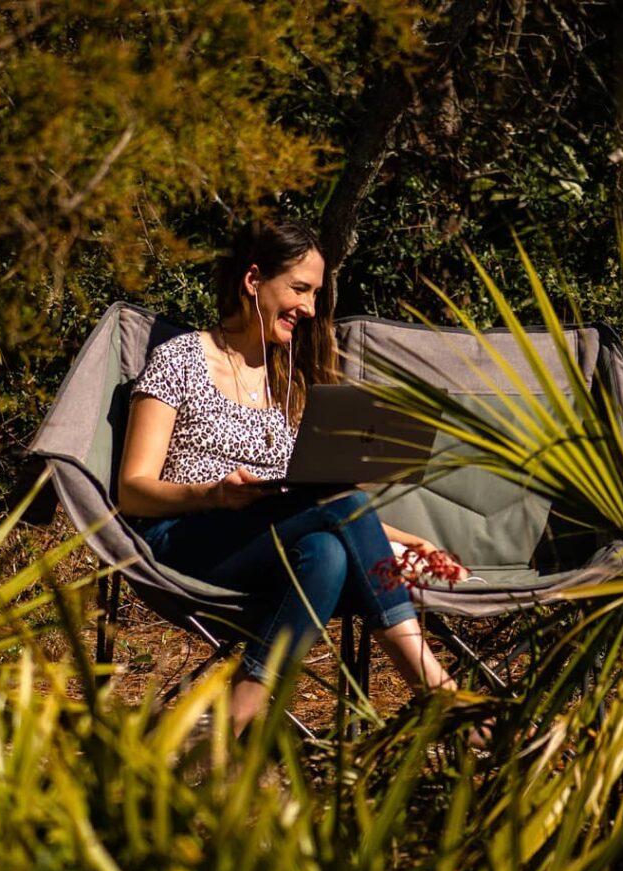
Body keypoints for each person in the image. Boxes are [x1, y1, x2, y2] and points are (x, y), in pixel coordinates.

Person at [118, 220, 466, 735]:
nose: (308, 307)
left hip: (270, 544)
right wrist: (213, 494)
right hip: (185, 539)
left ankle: (240, 715)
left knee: (324, 552)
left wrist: (401, 541)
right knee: (334, 519)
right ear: (254, 280)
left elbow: (314, 503)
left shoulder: (290, 380)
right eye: (299, 289)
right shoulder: (181, 359)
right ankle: (435, 688)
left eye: (315, 294)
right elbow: (132, 490)